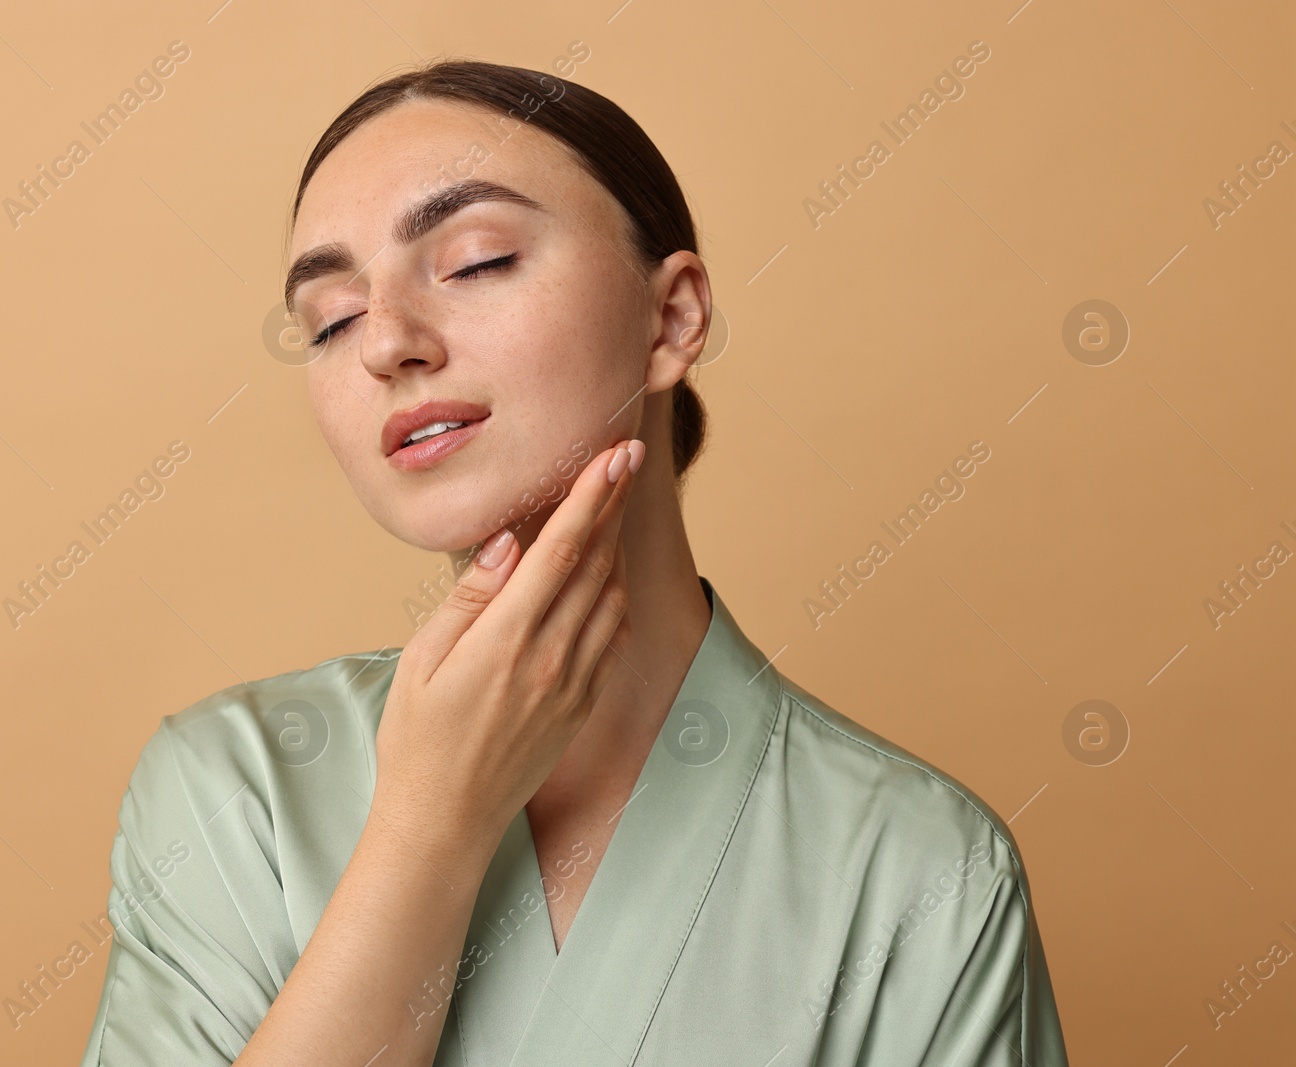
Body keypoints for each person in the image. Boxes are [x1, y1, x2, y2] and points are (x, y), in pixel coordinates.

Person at [79, 58, 1069, 1066]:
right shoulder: (234, 788)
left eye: (474, 261)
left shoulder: (922, 866)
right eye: (330, 320)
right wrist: (429, 826)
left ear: (672, 317)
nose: (383, 342)